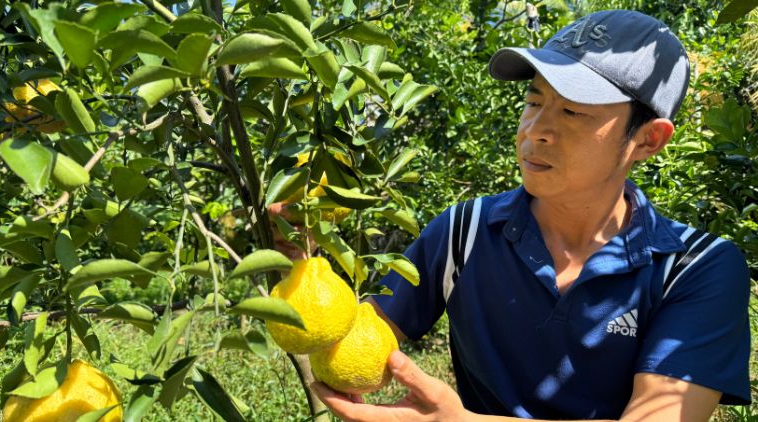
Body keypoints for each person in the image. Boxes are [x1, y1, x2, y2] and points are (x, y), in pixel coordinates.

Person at [309, 9, 752, 421]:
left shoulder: (693, 268)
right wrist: (307, 255)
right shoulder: (465, 232)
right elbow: (359, 349)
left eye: (573, 111)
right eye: (533, 101)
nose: (535, 130)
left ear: (649, 139)